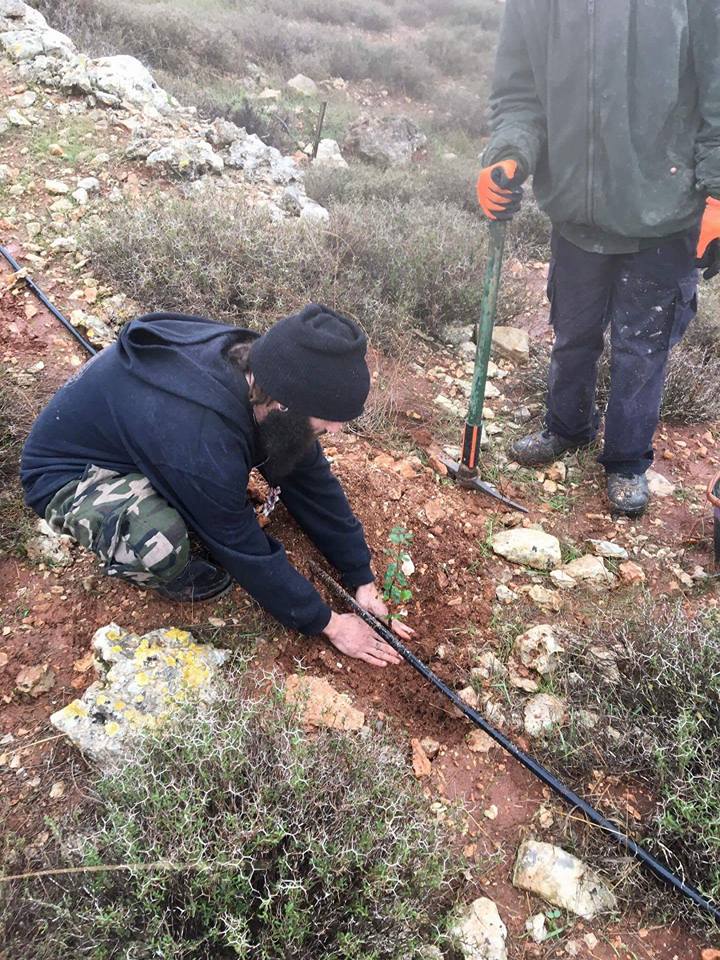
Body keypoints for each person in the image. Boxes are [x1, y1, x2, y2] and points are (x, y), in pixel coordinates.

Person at [21, 305, 410, 668]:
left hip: (146, 438)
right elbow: (240, 544)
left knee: (237, 473)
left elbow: (310, 480)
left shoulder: (271, 371)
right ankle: (161, 568)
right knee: (160, 542)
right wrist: (328, 623)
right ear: (284, 405)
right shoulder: (202, 436)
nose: (337, 430)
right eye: (328, 419)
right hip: (71, 472)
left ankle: (176, 491)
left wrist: (360, 574)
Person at [476, 1, 720, 516]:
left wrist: (718, 192)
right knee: (573, 330)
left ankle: (628, 460)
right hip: (575, 210)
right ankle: (566, 428)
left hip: (663, 215)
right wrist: (509, 151)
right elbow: (518, 94)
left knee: (642, 348)